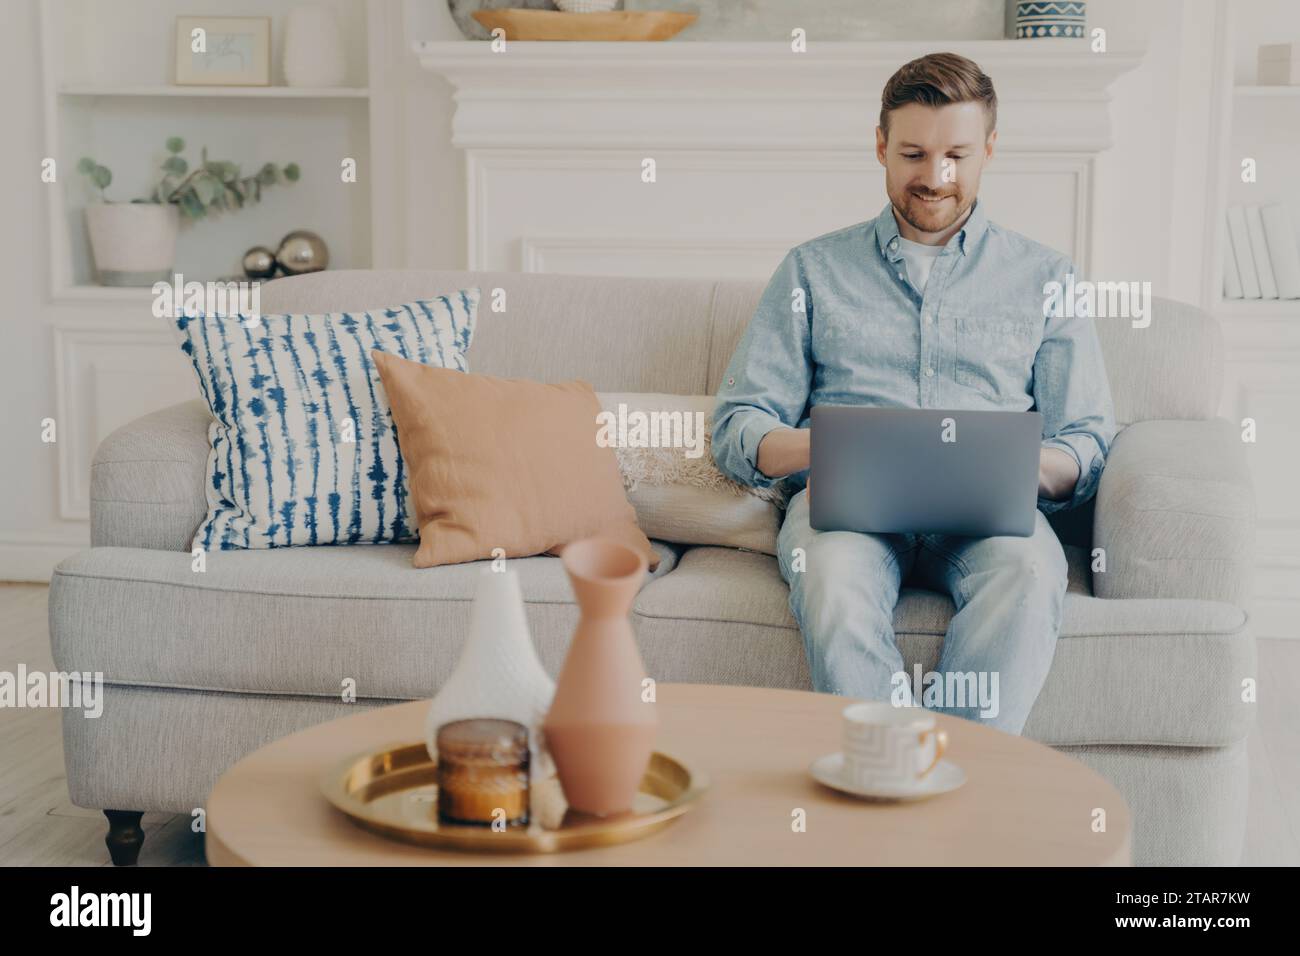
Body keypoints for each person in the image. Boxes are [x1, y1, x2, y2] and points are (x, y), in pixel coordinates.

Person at [711, 52, 1116, 735]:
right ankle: (888, 773)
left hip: (991, 520)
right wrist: (829, 447)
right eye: (913, 154)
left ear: (989, 148)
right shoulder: (812, 269)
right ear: (880, 146)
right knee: (833, 582)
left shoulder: (1046, 275)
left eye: (956, 154)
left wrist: (1027, 464)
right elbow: (737, 427)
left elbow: (1088, 440)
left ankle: (958, 778)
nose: (935, 178)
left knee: (1027, 577)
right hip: (845, 514)